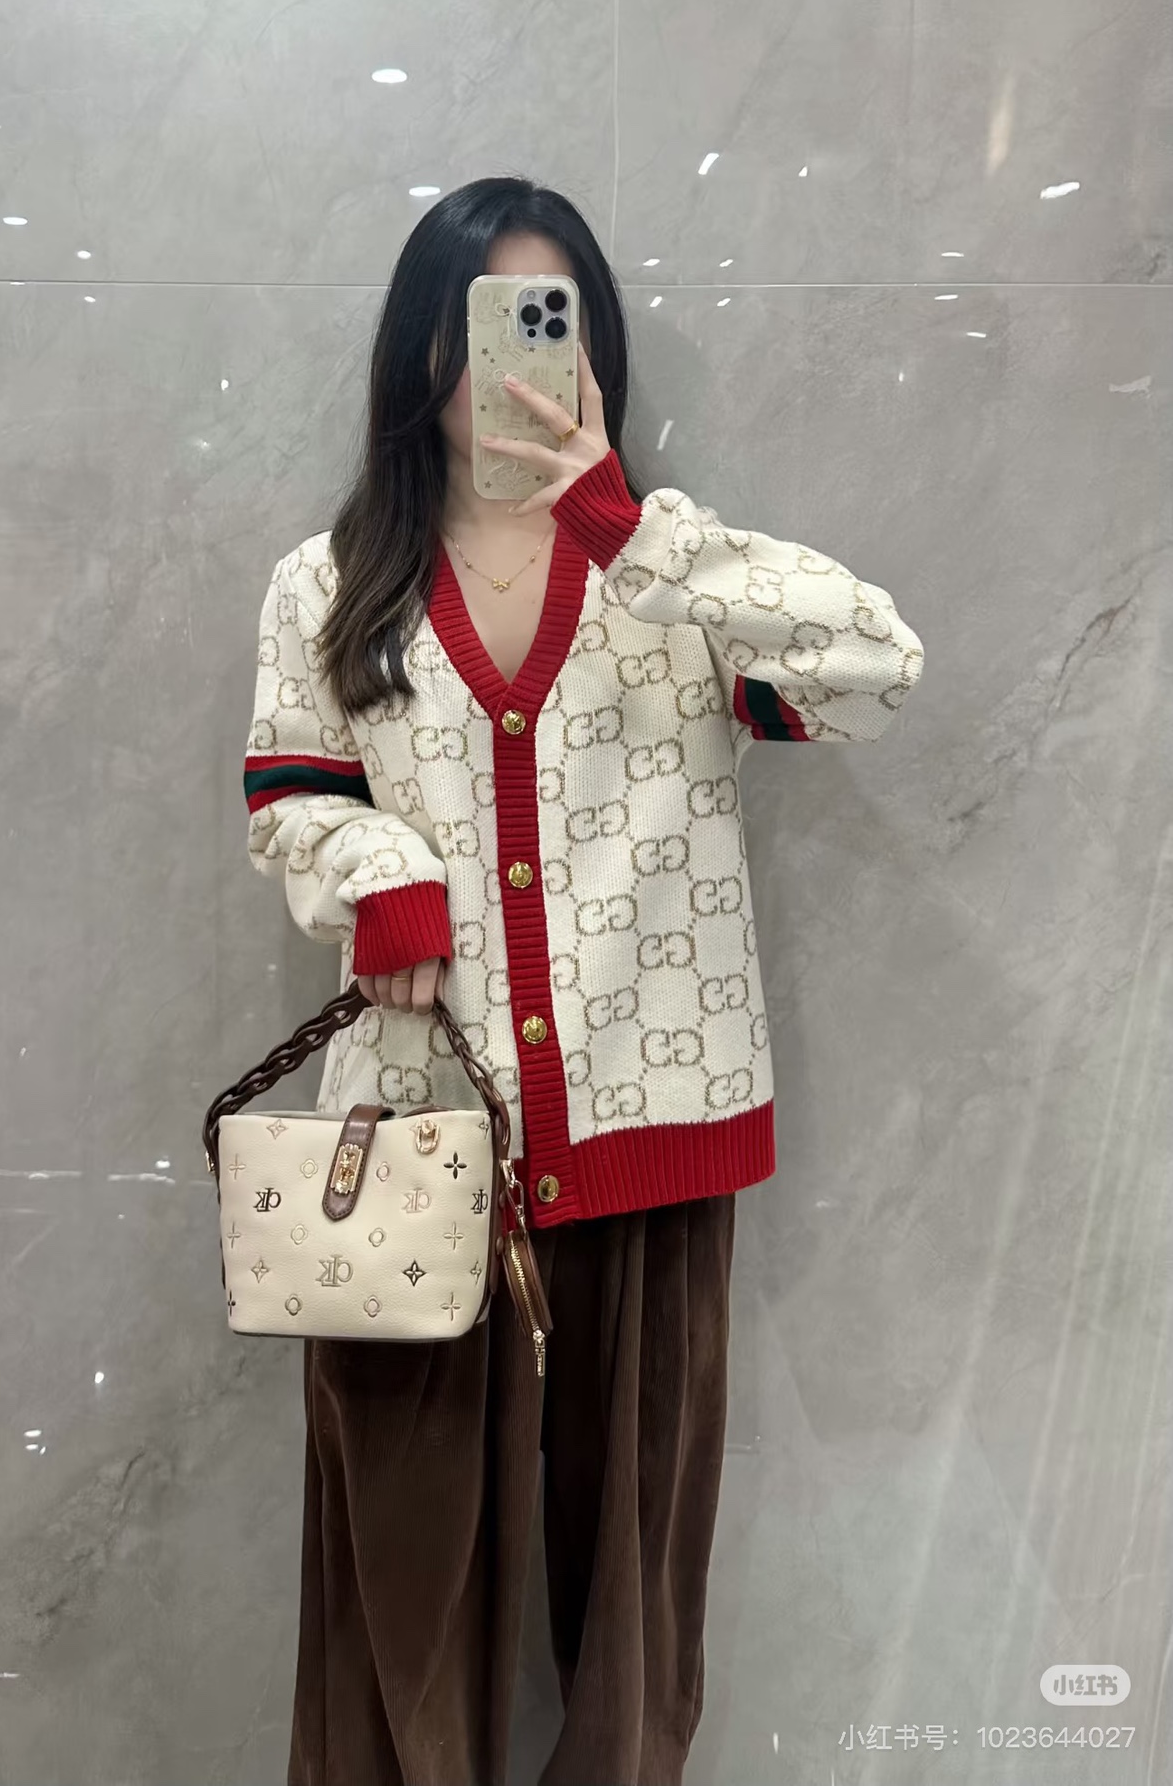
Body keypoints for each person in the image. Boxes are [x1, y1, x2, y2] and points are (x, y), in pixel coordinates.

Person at [242, 176, 926, 1785]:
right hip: (417, 1153)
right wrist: (378, 872)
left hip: (652, 1135)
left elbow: (877, 672)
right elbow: (288, 797)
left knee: (631, 1604)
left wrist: (626, 526)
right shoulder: (329, 580)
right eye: (482, 318)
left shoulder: (669, 575)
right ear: (423, 343)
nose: (509, 358)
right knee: (400, 1578)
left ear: (592, 345)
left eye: (547, 318)